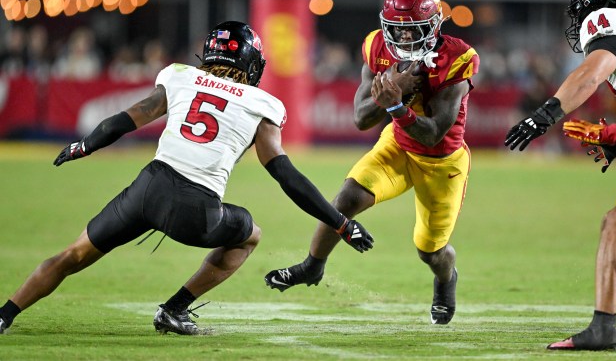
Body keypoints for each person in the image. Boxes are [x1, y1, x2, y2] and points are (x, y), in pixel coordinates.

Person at [0, 21, 374, 336]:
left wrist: (85, 145)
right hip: (197, 210)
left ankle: (6, 314)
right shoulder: (263, 105)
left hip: (147, 189)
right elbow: (286, 176)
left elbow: (127, 118)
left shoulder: (181, 76)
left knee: (72, 255)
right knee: (250, 235)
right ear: (251, 64)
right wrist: (340, 223)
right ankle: (174, 309)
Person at [265, 0, 479, 325]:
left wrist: (396, 105)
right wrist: (389, 100)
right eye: (398, 30)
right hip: (396, 144)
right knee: (347, 197)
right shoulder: (377, 45)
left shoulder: (458, 58)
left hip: (442, 162)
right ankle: (312, 266)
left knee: (430, 250)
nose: (404, 39)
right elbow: (361, 119)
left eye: (414, 30)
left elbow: (434, 133)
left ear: (434, 25)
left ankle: (445, 280)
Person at [504, 0, 616, 351]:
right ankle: (603, 327)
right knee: (615, 225)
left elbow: (593, 72)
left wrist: (545, 115)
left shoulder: (609, 22)